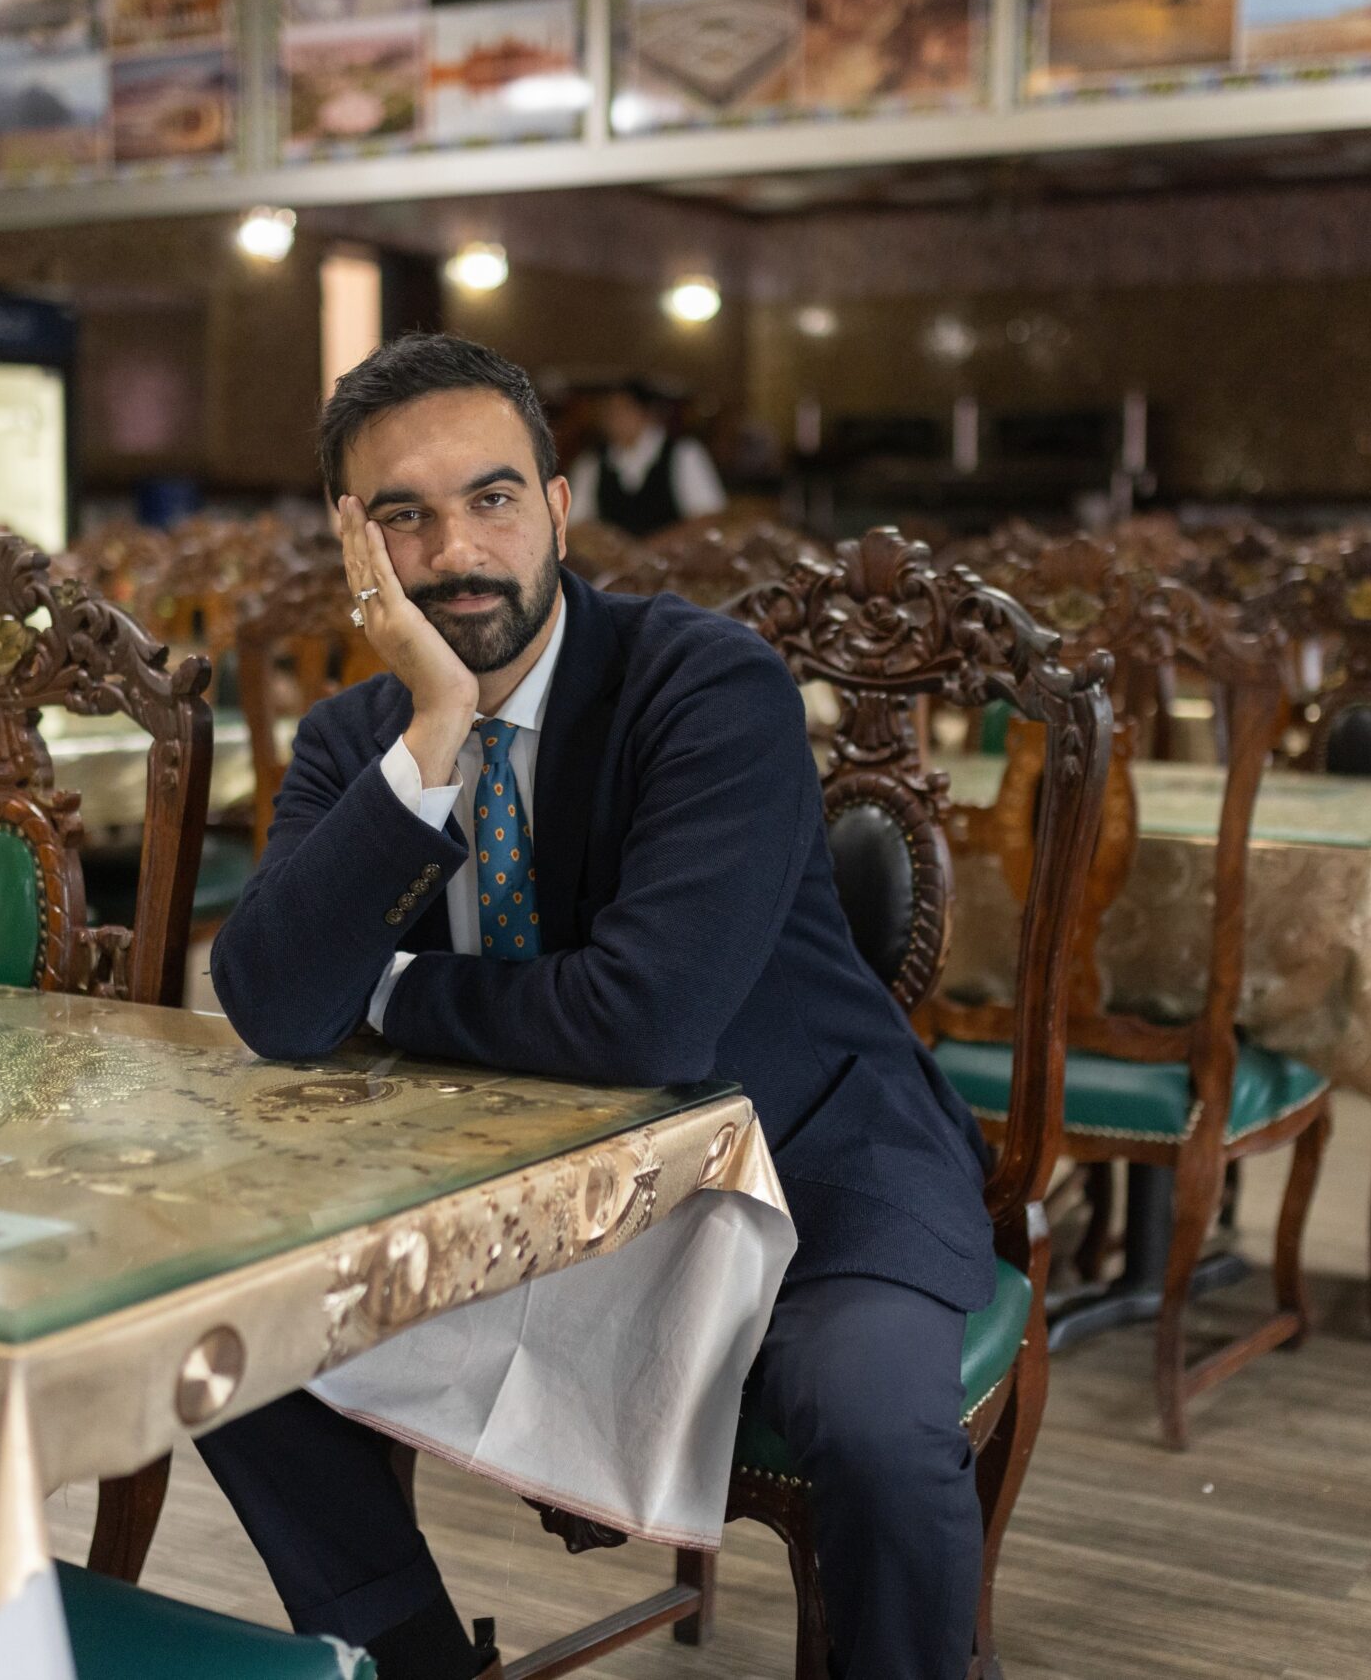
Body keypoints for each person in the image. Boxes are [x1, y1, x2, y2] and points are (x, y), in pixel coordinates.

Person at [204, 333, 994, 1680]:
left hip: (805, 1170)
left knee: (869, 1422)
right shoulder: (361, 747)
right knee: (215, 1336)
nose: (455, 549)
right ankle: (413, 1660)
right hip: (502, 1207)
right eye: (404, 515)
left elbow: (646, 1027)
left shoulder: (709, 689)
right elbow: (276, 1004)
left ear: (561, 509)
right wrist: (436, 731)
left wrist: (389, 992)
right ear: (356, 546)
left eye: (493, 498)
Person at [565, 378, 725, 537]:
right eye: (609, 411)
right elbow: (576, 522)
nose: (614, 419)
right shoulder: (591, 462)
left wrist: (656, 545)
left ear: (646, 412)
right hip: (611, 559)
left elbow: (708, 516)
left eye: (623, 409)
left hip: (674, 557)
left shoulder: (684, 453)